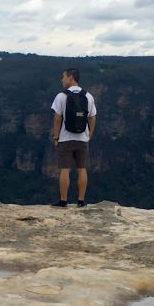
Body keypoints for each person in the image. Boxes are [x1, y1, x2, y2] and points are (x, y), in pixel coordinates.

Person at [50, 68, 97, 207]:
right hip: (82, 138)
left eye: (64, 77)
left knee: (65, 169)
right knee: (82, 169)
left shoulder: (61, 96)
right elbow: (92, 117)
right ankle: (81, 201)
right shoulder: (88, 96)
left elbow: (57, 119)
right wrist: (90, 133)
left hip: (65, 139)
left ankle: (63, 201)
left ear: (71, 77)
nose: (62, 80)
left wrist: (56, 137)